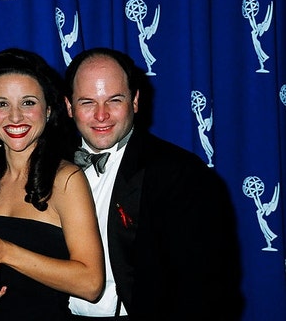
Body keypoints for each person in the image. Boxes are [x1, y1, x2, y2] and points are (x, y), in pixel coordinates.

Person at [62, 47, 243, 320]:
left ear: (135, 101)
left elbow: (206, 287)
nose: (101, 115)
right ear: (68, 106)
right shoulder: (48, 167)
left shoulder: (181, 174)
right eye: (87, 102)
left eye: (114, 100)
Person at [0, 48, 105, 319]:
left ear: (48, 110)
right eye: (1, 104)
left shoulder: (67, 180)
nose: (15, 117)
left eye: (28, 103)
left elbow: (91, 284)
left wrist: (4, 251)